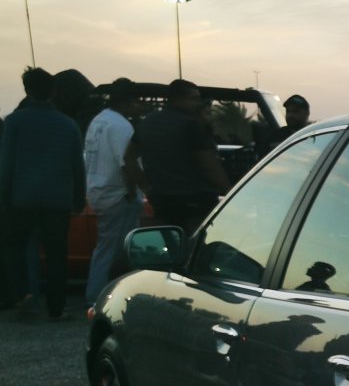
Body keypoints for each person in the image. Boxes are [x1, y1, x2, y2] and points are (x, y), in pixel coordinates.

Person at [0, 67, 86, 320]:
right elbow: (76, 167)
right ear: (54, 92)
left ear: (27, 91)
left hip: (21, 200)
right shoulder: (68, 125)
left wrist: (3, 198)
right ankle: (56, 308)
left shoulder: (15, 122)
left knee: (15, 248)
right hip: (57, 201)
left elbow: (7, 164)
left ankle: (25, 297)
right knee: (56, 253)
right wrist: (78, 199)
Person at [125, 78, 229, 238]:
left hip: (162, 202)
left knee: (173, 249)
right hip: (196, 202)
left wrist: (147, 188)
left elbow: (128, 158)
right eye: (194, 98)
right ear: (180, 99)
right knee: (198, 250)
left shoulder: (147, 123)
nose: (198, 103)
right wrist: (230, 192)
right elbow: (210, 166)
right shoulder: (190, 125)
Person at [82, 77, 144, 304]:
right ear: (128, 101)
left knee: (109, 246)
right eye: (138, 101)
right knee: (115, 250)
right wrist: (132, 191)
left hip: (99, 192)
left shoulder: (98, 121)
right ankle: (97, 296)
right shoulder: (121, 126)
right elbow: (126, 162)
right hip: (118, 194)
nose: (140, 106)